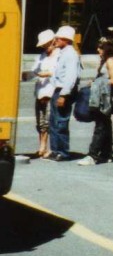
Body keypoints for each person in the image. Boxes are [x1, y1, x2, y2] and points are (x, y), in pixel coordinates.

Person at [79, 37, 113, 166]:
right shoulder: (105, 60)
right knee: (105, 124)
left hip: (106, 98)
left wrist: (97, 83)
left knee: (101, 125)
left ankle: (93, 155)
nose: (98, 49)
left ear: (108, 48)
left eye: (101, 47)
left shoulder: (111, 61)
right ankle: (106, 154)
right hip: (101, 96)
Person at [48, 25, 81, 161]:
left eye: (58, 38)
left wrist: (63, 95)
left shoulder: (71, 55)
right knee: (53, 121)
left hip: (64, 91)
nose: (55, 40)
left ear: (66, 40)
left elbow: (71, 77)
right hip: (58, 89)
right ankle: (55, 150)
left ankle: (63, 152)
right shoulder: (62, 53)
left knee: (61, 121)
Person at [31, 29, 58, 159]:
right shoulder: (41, 56)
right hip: (40, 91)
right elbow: (34, 71)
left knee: (49, 121)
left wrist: (48, 73)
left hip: (51, 91)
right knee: (40, 122)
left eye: (46, 44)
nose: (45, 47)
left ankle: (50, 148)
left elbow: (60, 72)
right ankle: (42, 146)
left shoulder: (59, 56)